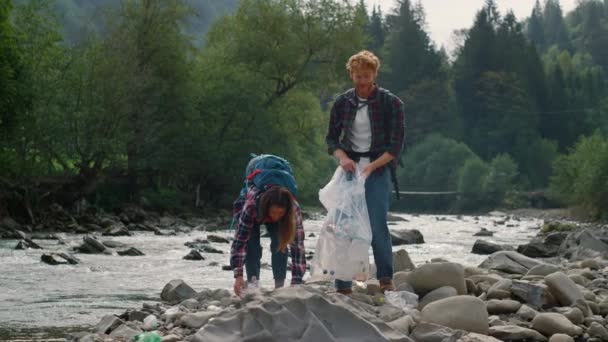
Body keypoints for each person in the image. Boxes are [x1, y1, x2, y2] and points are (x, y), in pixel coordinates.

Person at [325, 50, 405, 295]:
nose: (362, 81)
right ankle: (343, 283)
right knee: (344, 225)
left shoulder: (391, 103)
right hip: (349, 169)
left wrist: (372, 166)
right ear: (351, 74)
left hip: (378, 169)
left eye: (367, 76)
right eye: (358, 76)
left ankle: (385, 278)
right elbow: (331, 140)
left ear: (374, 74)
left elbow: (396, 146)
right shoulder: (342, 102)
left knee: (377, 224)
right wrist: (343, 158)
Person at [230, 184, 306, 297]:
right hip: (255, 212)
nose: (276, 217)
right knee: (252, 246)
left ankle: (279, 286)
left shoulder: (293, 209)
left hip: (276, 215)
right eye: (274, 212)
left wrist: (297, 281)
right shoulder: (251, 206)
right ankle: (253, 284)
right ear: (267, 208)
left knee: (281, 243)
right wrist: (238, 275)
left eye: (280, 213)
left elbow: (298, 246)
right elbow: (239, 242)